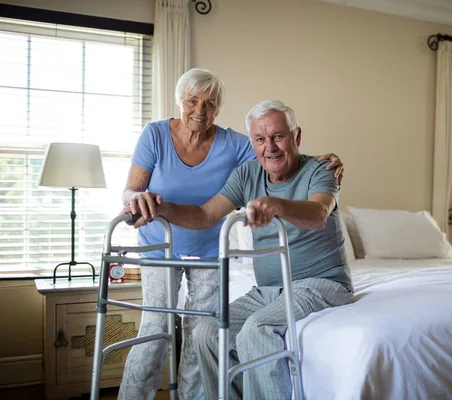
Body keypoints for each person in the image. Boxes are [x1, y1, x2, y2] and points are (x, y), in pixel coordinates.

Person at [118, 69, 345, 400]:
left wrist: (316, 169)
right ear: (180, 100)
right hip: (175, 252)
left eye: (210, 104)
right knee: (182, 330)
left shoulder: (287, 162)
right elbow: (191, 210)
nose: (200, 110)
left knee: (228, 331)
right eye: (192, 101)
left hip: (255, 264)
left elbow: (306, 196)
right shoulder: (162, 137)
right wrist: (152, 205)